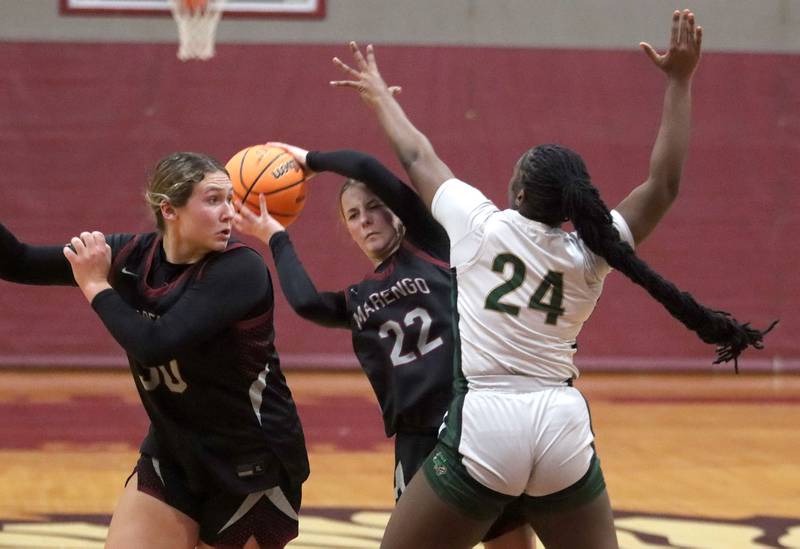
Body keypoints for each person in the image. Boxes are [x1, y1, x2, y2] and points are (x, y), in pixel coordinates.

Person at [330, 10, 776, 549]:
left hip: (488, 421)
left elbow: (416, 153)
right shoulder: (594, 248)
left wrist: (379, 94)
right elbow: (664, 184)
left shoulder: (479, 227)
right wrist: (680, 81)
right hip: (560, 424)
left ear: (518, 194)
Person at [0, 152, 309, 549]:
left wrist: (95, 286)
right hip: (175, 454)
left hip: (251, 464)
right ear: (170, 209)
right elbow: (19, 261)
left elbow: (155, 344)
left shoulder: (241, 270)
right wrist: (97, 276)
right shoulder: (130, 256)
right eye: (213, 199)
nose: (229, 212)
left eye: (231, 199)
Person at [233, 147, 535, 547]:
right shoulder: (358, 298)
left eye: (374, 207)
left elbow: (365, 167)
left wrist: (310, 160)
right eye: (353, 216)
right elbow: (307, 303)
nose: (366, 220)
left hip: (473, 417)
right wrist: (276, 235)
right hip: (417, 439)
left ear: (396, 213)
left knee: (510, 541)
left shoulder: (435, 246)